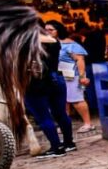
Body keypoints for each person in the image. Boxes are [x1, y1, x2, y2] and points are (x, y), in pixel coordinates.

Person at [24, 21, 74, 157]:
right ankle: (69, 143)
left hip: (35, 83)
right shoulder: (52, 40)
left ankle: (56, 148)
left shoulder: (24, 43)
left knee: (43, 117)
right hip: (56, 78)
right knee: (61, 114)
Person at [44, 21, 94, 133]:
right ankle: (65, 124)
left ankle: (88, 123)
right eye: (46, 30)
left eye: (50, 30)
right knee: (62, 102)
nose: (47, 32)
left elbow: (80, 60)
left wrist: (82, 77)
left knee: (77, 100)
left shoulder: (70, 44)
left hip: (73, 76)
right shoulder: (50, 44)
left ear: (58, 30)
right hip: (59, 76)